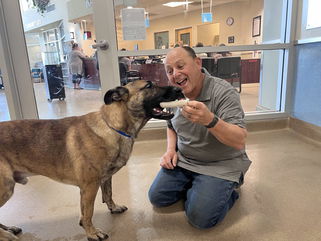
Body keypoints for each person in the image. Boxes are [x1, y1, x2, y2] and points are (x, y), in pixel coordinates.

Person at [148, 46, 251, 229]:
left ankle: (228, 192)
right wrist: (170, 150)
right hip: (185, 160)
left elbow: (239, 139)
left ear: (197, 63)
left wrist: (210, 121)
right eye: (170, 71)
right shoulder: (175, 93)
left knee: (200, 219)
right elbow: (171, 125)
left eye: (181, 66)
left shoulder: (223, 92)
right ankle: (201, 188)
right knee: (157, 198)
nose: (175, 74)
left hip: (220, 164)